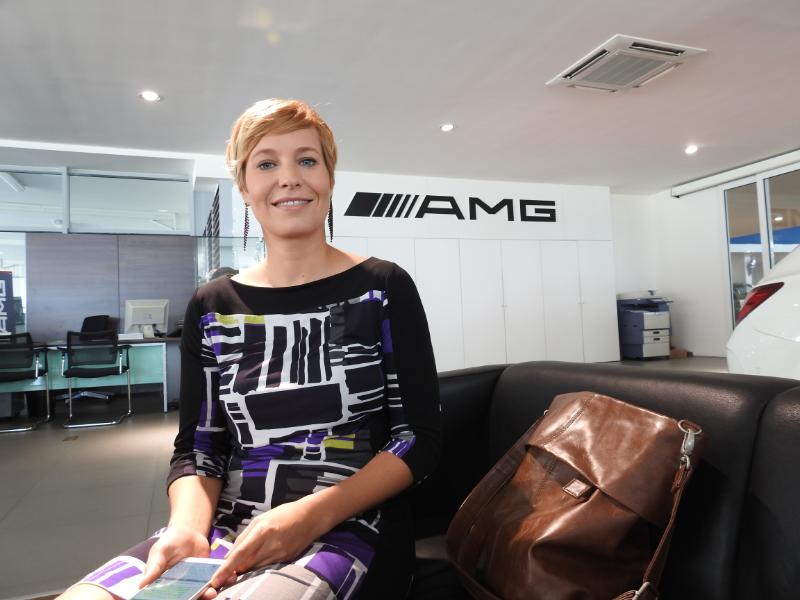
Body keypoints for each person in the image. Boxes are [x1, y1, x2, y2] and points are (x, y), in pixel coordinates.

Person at [57, 99, 441, 599]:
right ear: (243, 186)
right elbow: (200, 447)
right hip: (227, 526)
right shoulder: (212, 305)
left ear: (329, 176)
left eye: (307, 160)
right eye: (266, 163)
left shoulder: (381, 287)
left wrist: (312, 514)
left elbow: (416, 439)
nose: (289, 178)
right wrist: (188, 529)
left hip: (350, 525)